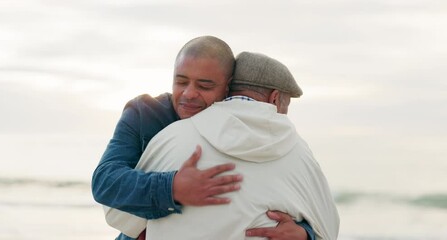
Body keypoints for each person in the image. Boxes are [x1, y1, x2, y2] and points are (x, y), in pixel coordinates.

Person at [92, 36, 314, 239]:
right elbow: (105, 181)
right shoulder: (146, 112)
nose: (189, 93)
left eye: (204, 85)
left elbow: (280, 192)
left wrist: (304, 233)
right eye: (181, 82)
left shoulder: (247, 131)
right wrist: (172, 188)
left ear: (227, 90)